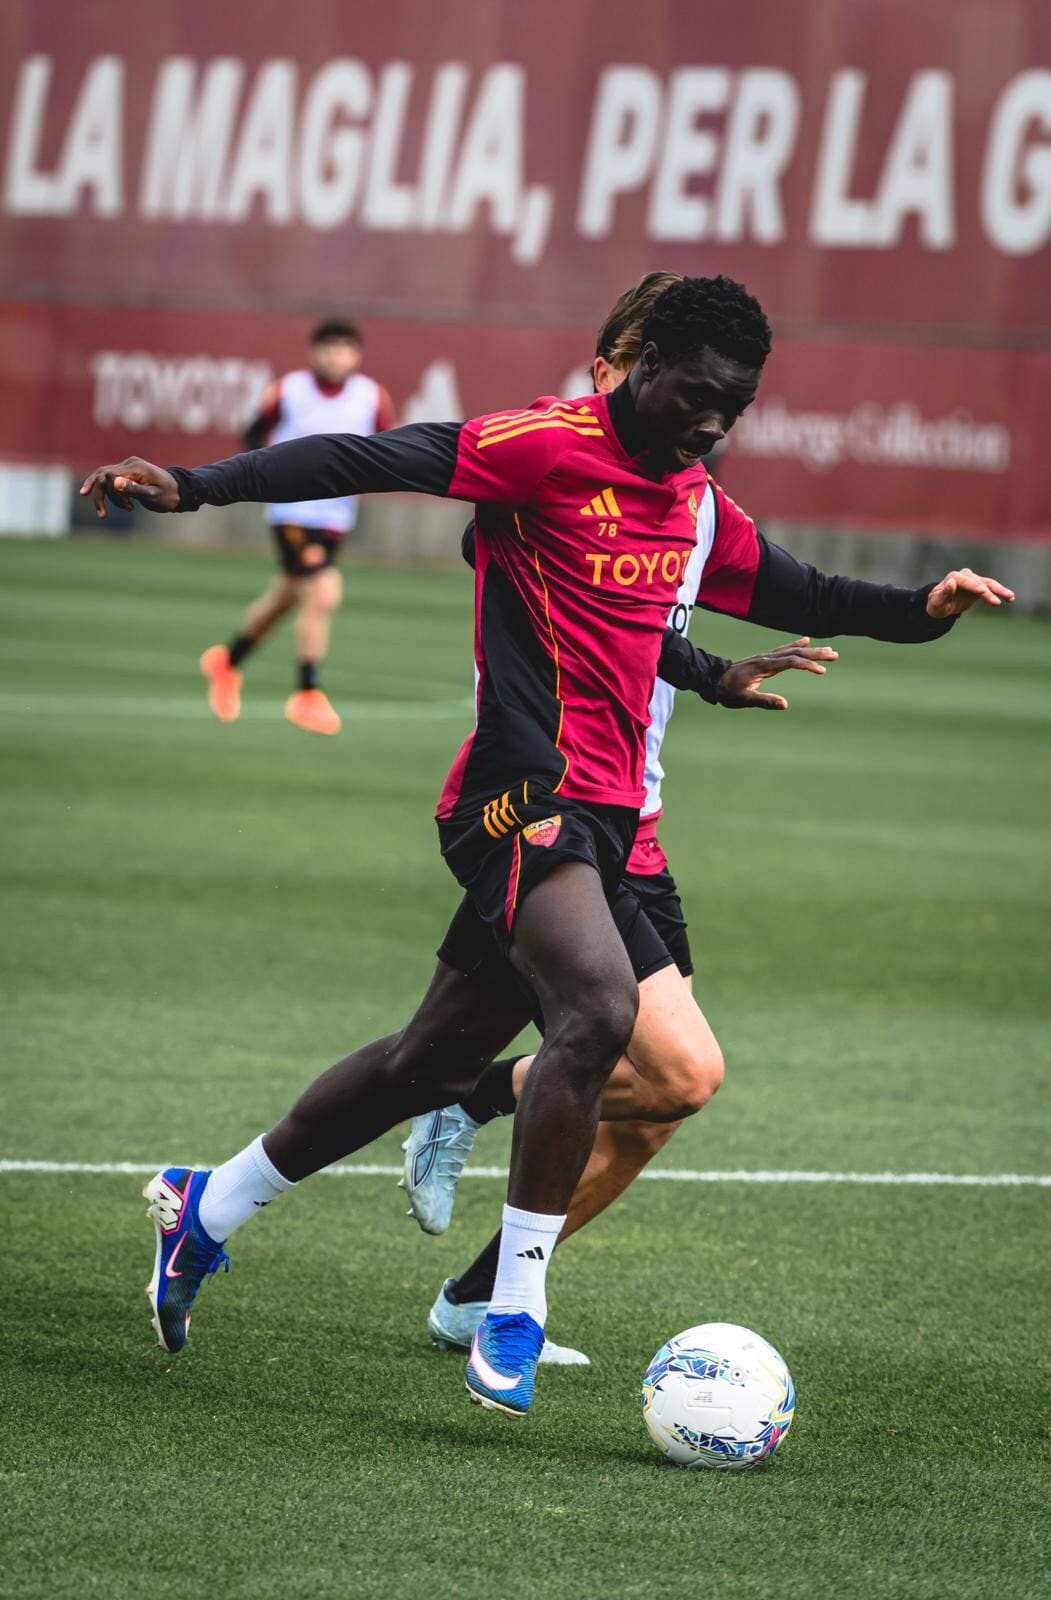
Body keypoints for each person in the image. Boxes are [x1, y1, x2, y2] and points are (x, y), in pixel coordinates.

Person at [81, 274, 1012, 1423]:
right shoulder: (541, 447)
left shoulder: (695, 503)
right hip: (517, 796)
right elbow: (370, 458)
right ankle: (509, 1304)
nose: (713, 420)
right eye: (696, 394)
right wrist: (195, 485)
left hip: (610, 822)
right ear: (641, 363)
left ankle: (208, 1205)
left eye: (734, 405)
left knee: (426, 1064)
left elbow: (796, 590)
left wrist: (920, 609)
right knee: (598, 1010)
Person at [401, 274, 838, 1365]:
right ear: (617, 368)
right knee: (659, 1067)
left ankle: (473, 1292)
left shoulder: (691, 496)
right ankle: (463, 1122)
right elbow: (534, 575)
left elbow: (660, 628)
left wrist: (712, 670)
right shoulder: (552, 468)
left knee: (656, 1104)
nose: (709, 417)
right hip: (547, 807)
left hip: (634, 820)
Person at [199, 317, 395, 736]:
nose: (335, 356)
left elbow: (388, 449)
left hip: (336, 516)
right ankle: (307, 692)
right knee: (323, 591)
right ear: (313, 351)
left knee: (288, 595)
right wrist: (268, 479)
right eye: (328, 347)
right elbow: (253, 433)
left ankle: (228, 661)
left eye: (344, 348)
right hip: (292, 512)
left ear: (356, 355)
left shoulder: (372, 397)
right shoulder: (288, 389)